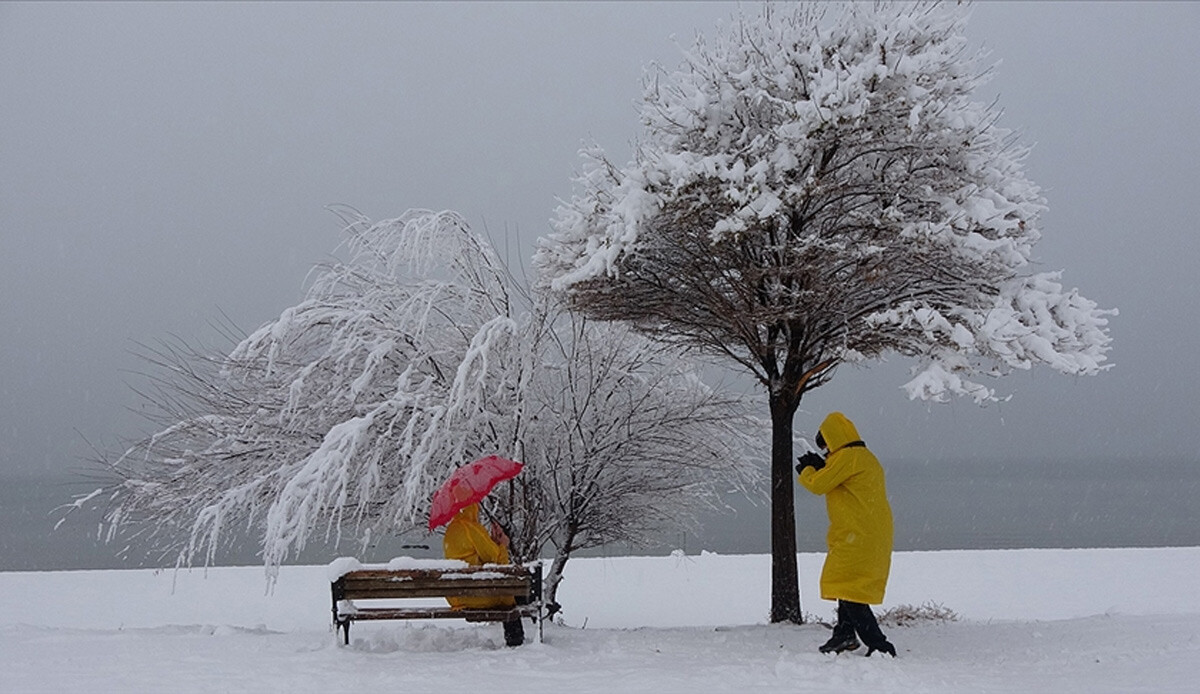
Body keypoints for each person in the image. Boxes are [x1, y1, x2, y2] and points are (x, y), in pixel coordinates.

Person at [797, 411, 897, 657]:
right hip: (867, 533)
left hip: (858, 535)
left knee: (850, 589)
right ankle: (843, 636)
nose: (826, 452)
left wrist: (808, 469)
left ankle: (880, 645)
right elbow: (838, 480)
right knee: (847, 585)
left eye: (826, 446)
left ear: (833, 439)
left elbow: (818, 485)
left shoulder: (848, 457)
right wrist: (824, 466)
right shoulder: (862, 457)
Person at [443, 502, 525, 646]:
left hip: (457, 597)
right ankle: (515, 639)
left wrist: (493, 543)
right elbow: (495, 561)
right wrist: (502, 545)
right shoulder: (471, 528)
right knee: (509, 594)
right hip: (477, 595)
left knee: (512, 592)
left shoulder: (451, 530)